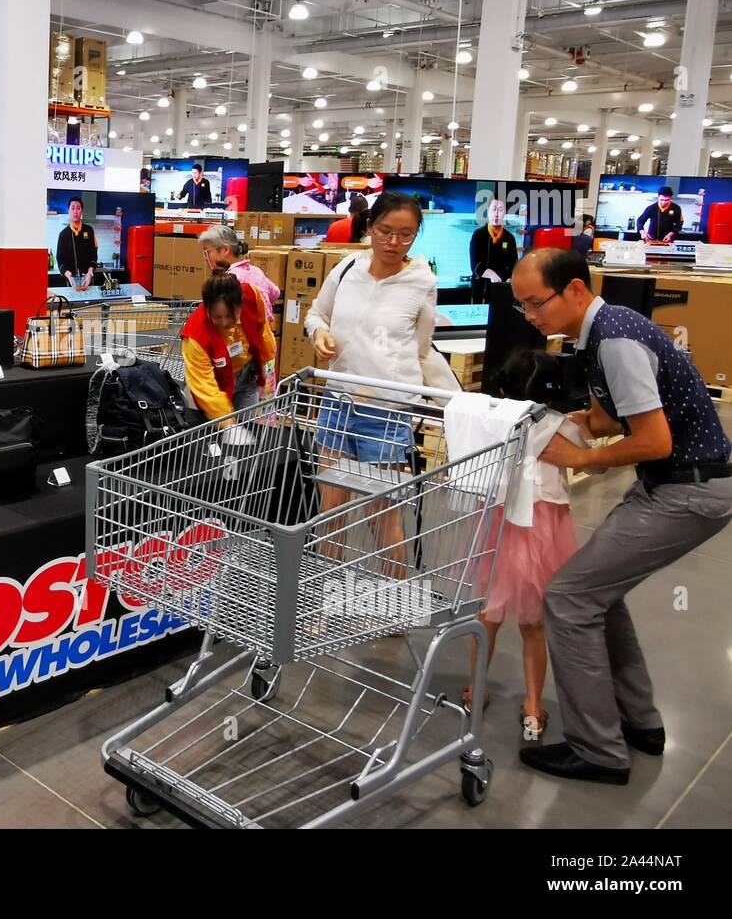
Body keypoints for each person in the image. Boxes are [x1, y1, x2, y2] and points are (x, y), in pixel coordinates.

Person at [511, 248, 732, 784]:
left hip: (689, 490)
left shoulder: (616, 339)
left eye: (536, 303)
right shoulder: (598, 335)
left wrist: (580, 457)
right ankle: (639, 723)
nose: (531, 317)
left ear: (576, 291)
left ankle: (597, 750)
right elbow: (615, 418)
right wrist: (571, 423)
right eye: (521, 308)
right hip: (677, 485)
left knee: (567, 598)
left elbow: (654, 442)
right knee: (598, 594)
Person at [466, 348, 593, 740]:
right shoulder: (564, 427)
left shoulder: (495, 423)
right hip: (546, 530)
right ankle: (534, 706)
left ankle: (476, 688)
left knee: (487, 612)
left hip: (499, 525)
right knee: (534, 622)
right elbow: (593, 461)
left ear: (504, 389)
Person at [305, 193, 438, 562]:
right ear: (369, 227)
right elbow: (316, 314)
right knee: (330, 513)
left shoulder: (421, 282)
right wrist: (319, 334)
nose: (394, 242)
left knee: (381, 518)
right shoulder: (347, 268)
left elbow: (421, 346)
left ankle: (396, 610)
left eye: (406, 234)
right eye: (385, 231)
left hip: (386, 412)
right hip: (338, 402)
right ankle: (321, 605)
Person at [180, 272, 276, 421]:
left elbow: (262, 327)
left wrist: (266, 358)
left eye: (230, 315)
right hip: (217, 385)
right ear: (207, 310)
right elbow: (204, 386)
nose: (224, 323)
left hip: (247, 374)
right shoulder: (195, 335)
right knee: (221, 434)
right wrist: (228, 424)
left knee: (248, 425)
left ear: (240, 305)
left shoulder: (252, 295)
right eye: (217, 317)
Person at [199, 224, 280, 325]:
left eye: (207, 252)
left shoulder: (228, 280)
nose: (206, 258)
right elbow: (276, 293)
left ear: (225, 250)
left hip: (241, 335)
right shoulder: (256, 271)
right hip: (264, 334)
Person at [470, 195, 519, 303]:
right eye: (494, 209)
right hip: (480, 290)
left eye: (500, 210)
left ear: (505, 212)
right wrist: (491, 274)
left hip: (502, 291)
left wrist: (511, 278)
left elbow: (514, 265)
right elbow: (475, 265)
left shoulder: (509, 238)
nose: (496, 214)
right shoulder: (478, 235)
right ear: (488, 211)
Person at [55, 196, 99, 292]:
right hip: (70, 283)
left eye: (78, 208)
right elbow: (60, 259)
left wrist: (90, 272)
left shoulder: (89, 230)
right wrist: (68, 275)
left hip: (88, 281)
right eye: (73, 208)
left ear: (82, 212)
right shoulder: (63, 234)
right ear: (68, 211)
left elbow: (94, 255)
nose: (75, 211)